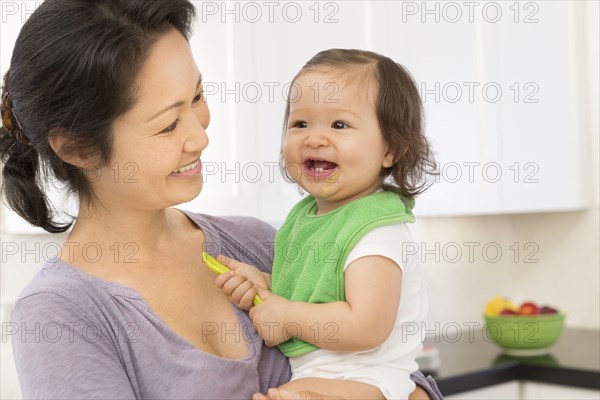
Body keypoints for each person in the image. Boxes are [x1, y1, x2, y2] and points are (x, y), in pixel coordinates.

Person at [0, 0, 442, 399]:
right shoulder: (60, 318)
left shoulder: (256, 243)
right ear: (77, 148)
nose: (200, 135)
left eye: (197, 97)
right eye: (168, 124)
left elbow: (391, 374)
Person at [215, 49, 438, 400]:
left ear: (390, 150)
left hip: (371, 378)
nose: (314, 138)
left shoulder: (375, 229)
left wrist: (286, 316)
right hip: (328, 375)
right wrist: (267, 286)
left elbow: (366, 326)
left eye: (339, 125)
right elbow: (322, 290)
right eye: (300, 123)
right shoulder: (307, 218)